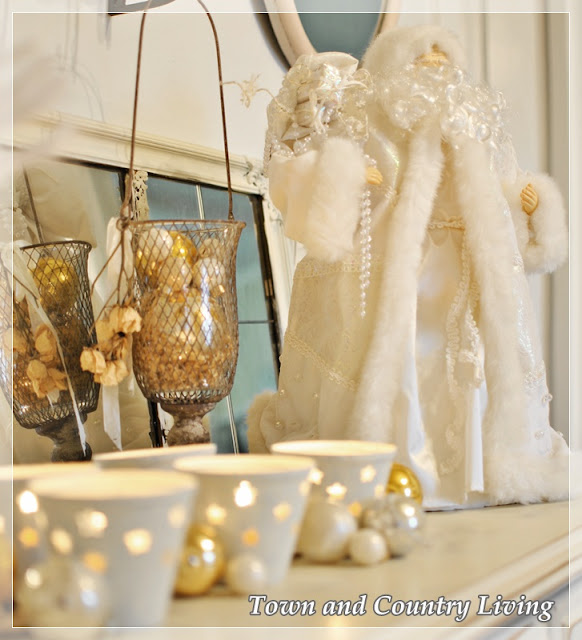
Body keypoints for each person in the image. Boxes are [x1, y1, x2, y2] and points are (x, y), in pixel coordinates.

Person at [248, 25, 569, 509]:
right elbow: (320, 188)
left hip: (463, 271)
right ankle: (406, 462)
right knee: (400, 353)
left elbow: (500, 203)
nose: (436, 75)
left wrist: (530, 205)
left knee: (466, 361)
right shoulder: (369, 121)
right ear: (398, 66)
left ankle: (480, 467)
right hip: (399, 268)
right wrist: (348, 175)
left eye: (444, 66)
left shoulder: (471, 129)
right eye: (424, 64)